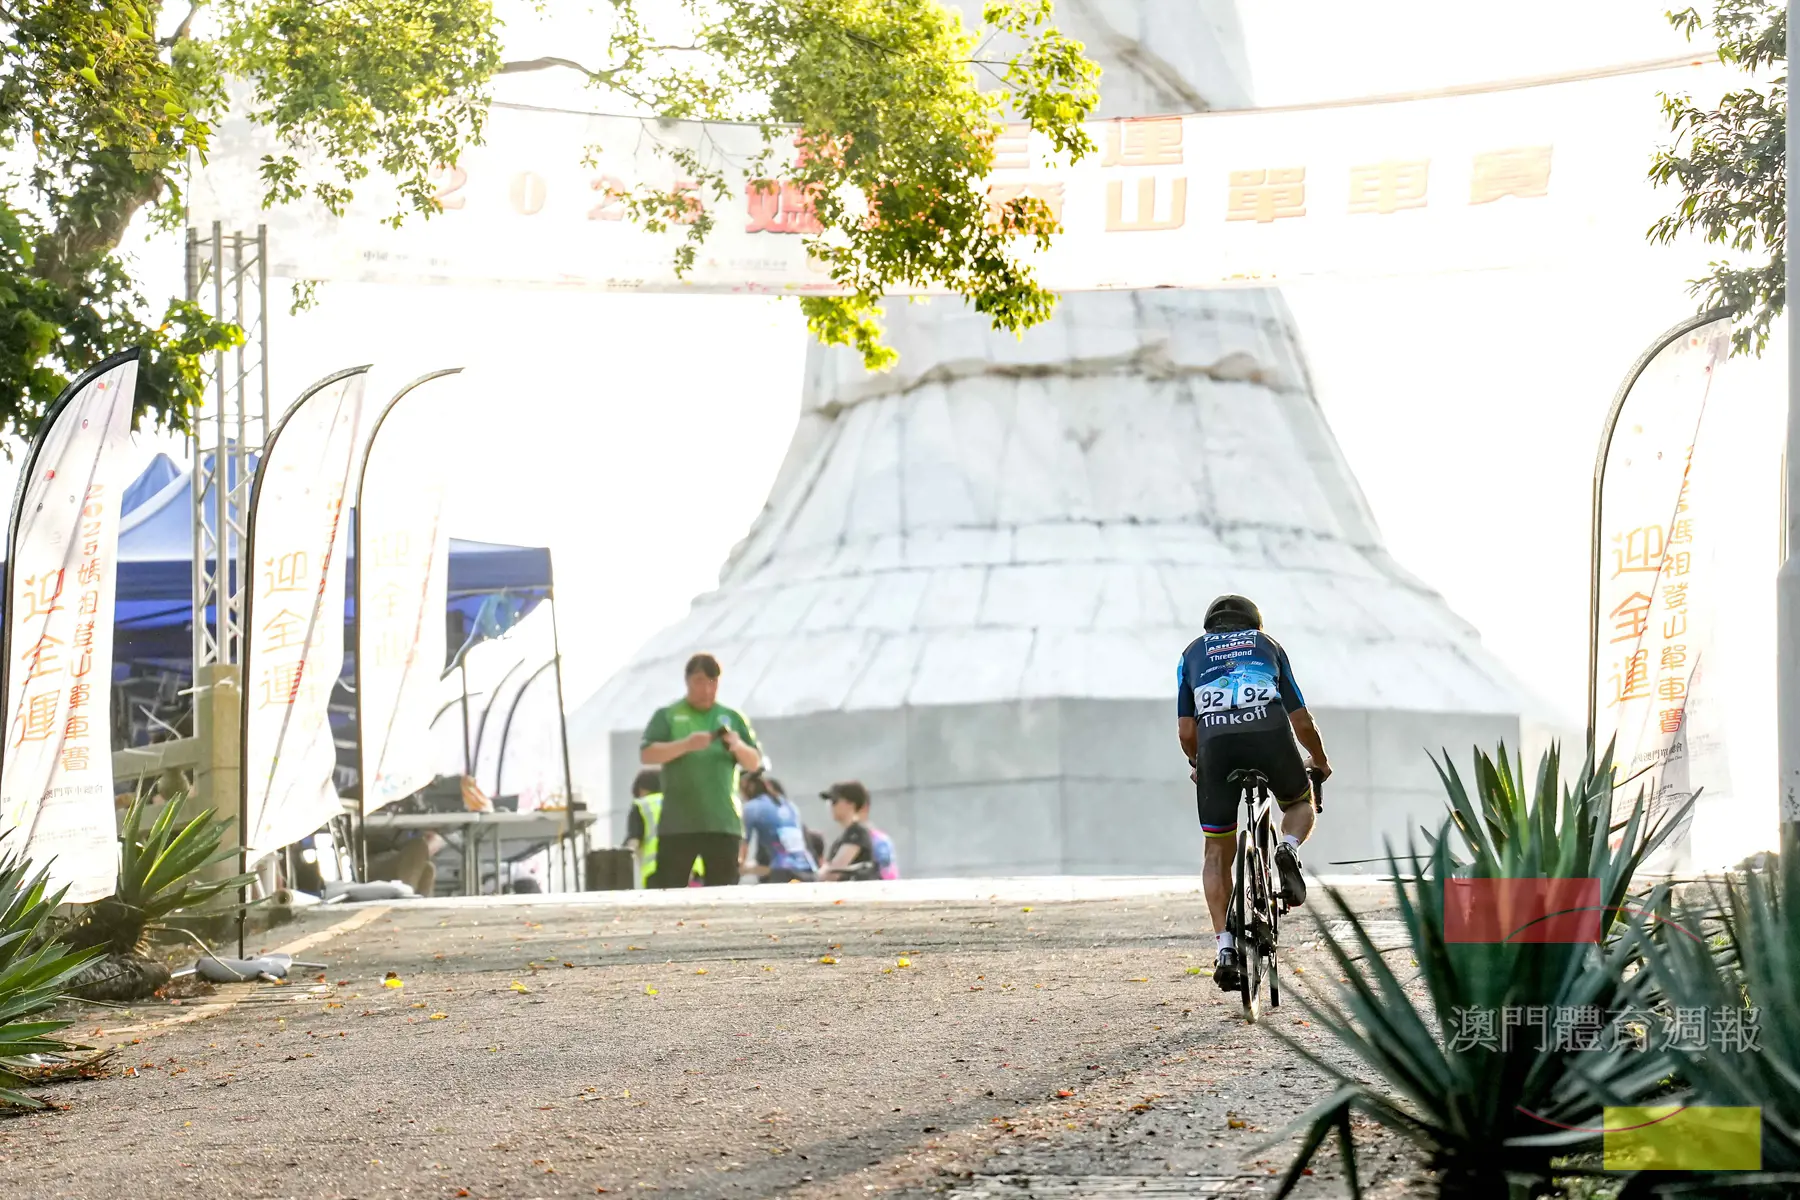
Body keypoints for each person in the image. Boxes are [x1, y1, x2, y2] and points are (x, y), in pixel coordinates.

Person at [1177, 594, 1331, 992]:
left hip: (1217, 747)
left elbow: (1186, 732)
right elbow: (1301, 719)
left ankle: (1225, 948)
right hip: (1270, 735)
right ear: (1255, 624)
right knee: (1298, 803)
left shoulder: (1191, 654)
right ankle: (1289, 847)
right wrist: (1319, 759)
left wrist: (1199, 764)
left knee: (1215, 853)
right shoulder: (1268, 646)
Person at [638, 653, 762, 887]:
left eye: (712, 682)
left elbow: (754, 763)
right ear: (687, 681)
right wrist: (685, 745)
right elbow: (647, 754)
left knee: (723, 890)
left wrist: (736, 745)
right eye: (699, 682)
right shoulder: (669, 715)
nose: (706, 689)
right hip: (679, 824)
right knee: (670, 888)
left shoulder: (733, 717)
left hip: (722, 822)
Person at [740, 775, 818, 883]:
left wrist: (739, 866)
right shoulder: (789, 805)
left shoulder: (752, 807)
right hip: (808, 869)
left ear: (750, 787)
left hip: (783, 872)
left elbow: (743, 843)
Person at [816, 781, 888, 882]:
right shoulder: (846, 835)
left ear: (851, 804)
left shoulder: (857, 833)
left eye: (834, 801)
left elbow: (835, 871)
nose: (831, 806)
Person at [623, 768, 663, 889]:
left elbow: (633, 842)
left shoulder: (641, 805)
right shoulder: (677, 801)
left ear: (641, 789)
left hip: (657, 872)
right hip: (693, 871)